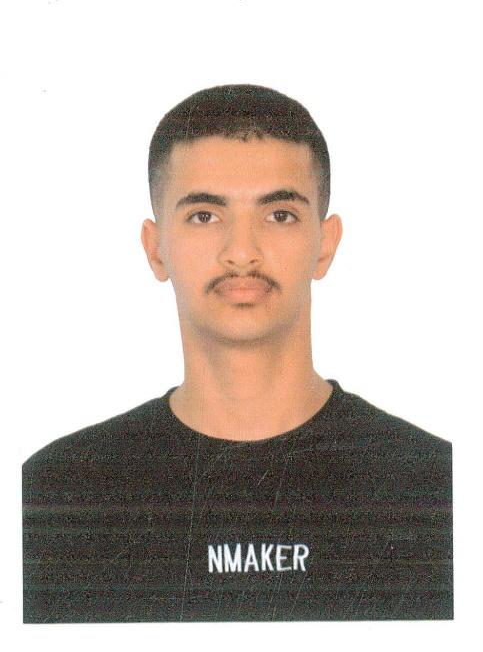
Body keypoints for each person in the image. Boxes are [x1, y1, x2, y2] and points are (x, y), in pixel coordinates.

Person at [23, 84, 452, 623]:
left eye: (280, 215)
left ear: (325, 243)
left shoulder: (437, 490)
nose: (242, 252)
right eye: (205, 215)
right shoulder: (56, 498)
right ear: (156, 249)